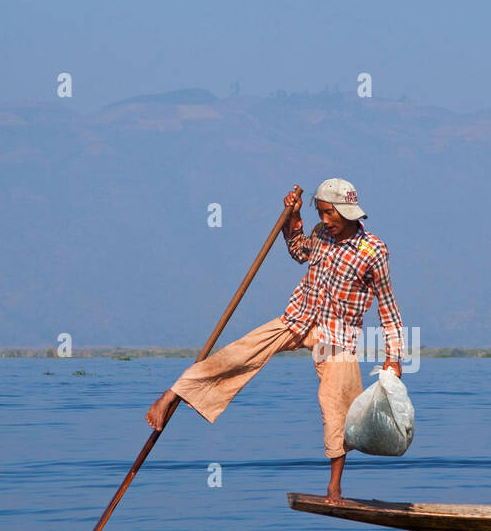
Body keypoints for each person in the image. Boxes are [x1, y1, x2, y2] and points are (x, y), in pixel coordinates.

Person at [144, 178, 407, 503]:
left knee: (335, 402)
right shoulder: (321, 234)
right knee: (239, 354)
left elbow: (388, 306)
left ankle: (334, 488)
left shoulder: (373, 252)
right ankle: (173, 393)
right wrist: (292, 219)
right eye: (320, 213)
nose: (324, 220)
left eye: (329, 214)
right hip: (299, 318)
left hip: (336, 336)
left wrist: (393, 355)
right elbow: (299, 252)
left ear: (346, 211)